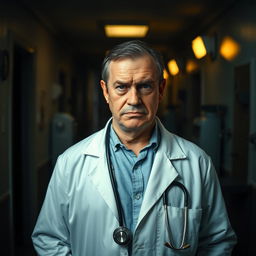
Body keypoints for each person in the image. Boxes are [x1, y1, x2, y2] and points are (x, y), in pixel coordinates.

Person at [32, 40, 236, 255]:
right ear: (105, 91)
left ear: (161, 89)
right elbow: (49, 239)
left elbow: (217, 242)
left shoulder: (197, 162)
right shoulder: (70, 163)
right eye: (121, 87)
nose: (134, 100)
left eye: (145, 86)